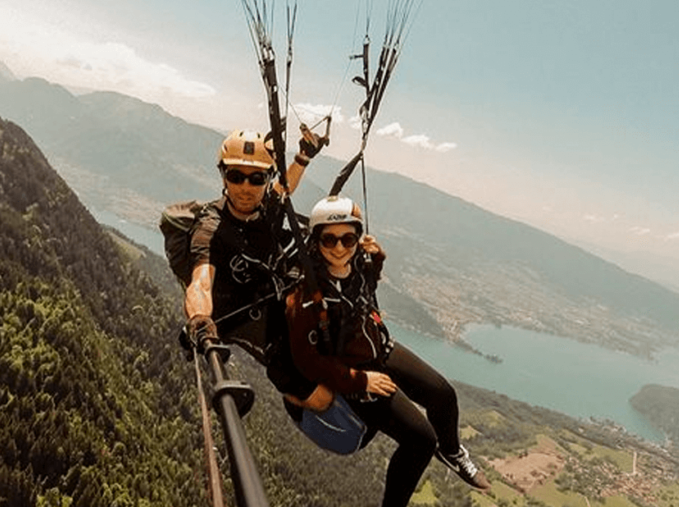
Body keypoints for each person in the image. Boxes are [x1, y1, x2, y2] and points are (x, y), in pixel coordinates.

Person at [277, 195, 490, 507]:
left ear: (358, 237)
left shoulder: (359, 266)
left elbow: (368, 286)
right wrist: (361, 381)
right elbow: (307, 361)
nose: (339, 248)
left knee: (444, 395)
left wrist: (377, 258)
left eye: (348, 238)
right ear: (316, 241)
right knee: (420, 440)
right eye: (329, 239)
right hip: (354, 372)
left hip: (380, 349)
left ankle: (452, 451)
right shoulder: (305, 296)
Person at [183, 128, 324, 367]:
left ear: (268, 179)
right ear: (224, 176)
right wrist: (200, 319)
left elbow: (284, 189)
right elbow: (201, 282)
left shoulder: (265, 209)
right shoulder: (210, 227)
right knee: (297, 369)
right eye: (236, 176)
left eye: (257, 178)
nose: (246, 187)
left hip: (273, 297)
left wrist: (303, 157)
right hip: (243, 317)